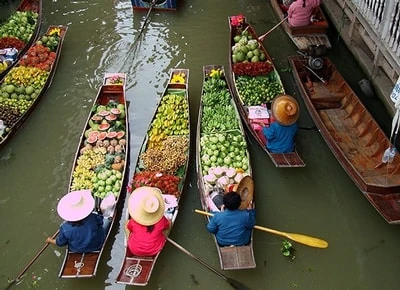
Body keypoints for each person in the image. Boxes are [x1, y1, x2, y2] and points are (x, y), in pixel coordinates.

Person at [46, 190, 110, 253]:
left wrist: (50, 240)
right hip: (98, 244)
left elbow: (60, 243)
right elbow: (101, 222)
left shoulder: (64, 228)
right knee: (107, 220)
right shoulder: (93, 217)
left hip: (77, 249)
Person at [125, 186, 171, 256]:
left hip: (134, 249)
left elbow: (128, 227)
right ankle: (164, 237)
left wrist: (129, 236)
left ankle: (129, 241)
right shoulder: (161, 220)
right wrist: (165, 233)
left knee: (126, 224)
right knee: (169, 222)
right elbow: (168, 225)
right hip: (155, 250)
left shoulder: (134, 221)